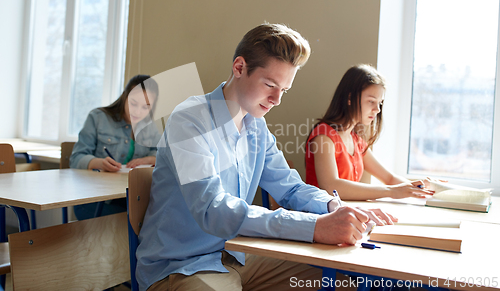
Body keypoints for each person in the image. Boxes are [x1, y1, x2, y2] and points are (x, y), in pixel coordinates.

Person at [136, 23, 396, 291]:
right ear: (239, 68)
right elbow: (212, 210)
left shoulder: (256, 127)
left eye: (284, 90)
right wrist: (315, 227)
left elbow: (291, 188)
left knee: (347, 281)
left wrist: (335, 208)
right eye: (270, 84)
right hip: (181, 266)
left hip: (238, 255)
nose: (276, 99)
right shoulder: (190, 119)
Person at [305, 65, 434, 201]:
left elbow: (389, 178)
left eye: (380, 103)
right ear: (350, 98)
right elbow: (331, 186)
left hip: (345, 214)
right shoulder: (323, 136)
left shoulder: (356, 140)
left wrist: (423, 189)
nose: (377, 109)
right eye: (371, 101)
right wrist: (391, 191)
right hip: (320, 216)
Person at [70, 74, 161, 219]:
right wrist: (99, 163)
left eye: (146, 107)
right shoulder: (98, 117)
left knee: (157, 216)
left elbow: (159, 154)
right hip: (96, 199)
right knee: (137, 222)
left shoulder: (149, 127)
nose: (138, 112)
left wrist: (148, 160)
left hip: (131, 198)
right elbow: (76, 158)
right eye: (133, 103)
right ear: (124, 97)